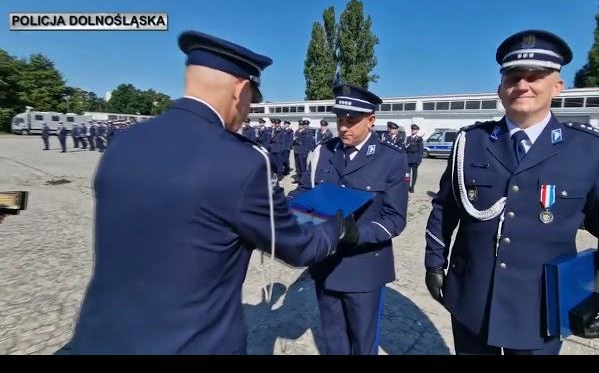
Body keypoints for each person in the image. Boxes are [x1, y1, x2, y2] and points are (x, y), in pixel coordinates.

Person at [65, 30, 357, 355]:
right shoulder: (242, 161)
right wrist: (337, 228)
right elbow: (297, 248)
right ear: (241, 90)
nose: (248, 112)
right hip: (192, 344)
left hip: (101, 337)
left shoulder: (125, 142)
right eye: (252, 101)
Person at [424, 29, 599, 355]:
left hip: (540, 309)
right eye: (513, 76)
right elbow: (444, 207)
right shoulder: (471, 142)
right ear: (500, 88)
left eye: (535, 76)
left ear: (557, 86)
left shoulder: (589, 150)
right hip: (472, 297)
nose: (522, 85)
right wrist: (434, 262)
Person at [289, 84, 409, 355]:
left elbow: (395, 219)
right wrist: (285, 208)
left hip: (363, 268)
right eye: (339, 120)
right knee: (333, 340)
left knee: (363, 343)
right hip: (325, 265)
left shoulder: (390, 159)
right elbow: (305, 192)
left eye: (352, 121)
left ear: (371, 120)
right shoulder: (324, 151)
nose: (344, 127)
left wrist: (358, 234)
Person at [405, 124, 424, 193]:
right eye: (412, 129)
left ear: (417, 130)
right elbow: (405, 149)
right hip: (408, 158)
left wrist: (419, 160)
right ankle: (407, 186)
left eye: (415, 129)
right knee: (407, 174)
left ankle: (412, 186)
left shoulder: (419, 139)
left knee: (414, 174)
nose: (413, 130)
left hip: (415, 158)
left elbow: (421, 150)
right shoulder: (408, 138)